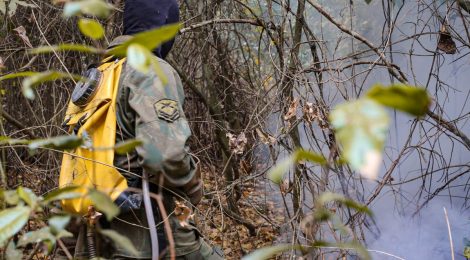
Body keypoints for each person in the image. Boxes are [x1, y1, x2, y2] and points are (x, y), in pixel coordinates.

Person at [70, 0, 224, 259]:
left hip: (95, 228)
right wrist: (193, 185)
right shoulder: (150, 70)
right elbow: (164, 155)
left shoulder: (99, 75)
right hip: (146, 227)